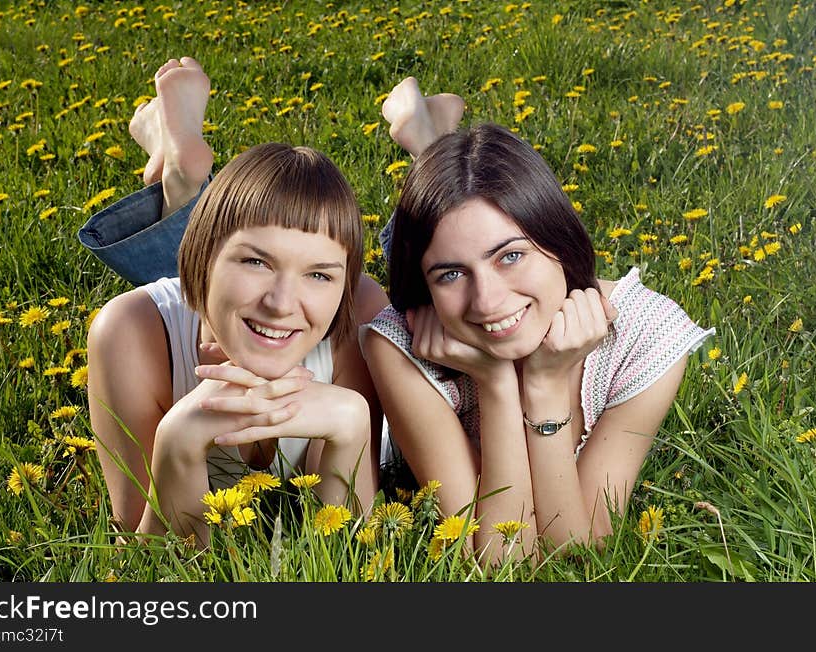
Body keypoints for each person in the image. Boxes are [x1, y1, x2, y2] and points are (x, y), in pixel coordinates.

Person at [359, 79, 715, 566]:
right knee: (450, 224)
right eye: (450, 274)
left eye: (511, 257)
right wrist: (495, 382)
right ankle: (432, 146)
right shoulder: (400, 341)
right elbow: (498, 558)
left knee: (466, 219)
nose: (486, 301)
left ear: (559, 242)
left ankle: (430, 140)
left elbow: (577, 548)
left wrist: (545, 386)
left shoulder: (646, 333)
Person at [81, 58, 393, 546]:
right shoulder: (127, 332)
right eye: (256, 263)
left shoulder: (359, 308)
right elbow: (148, 561)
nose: (282, 303)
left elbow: (348, 549)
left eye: (318, 274)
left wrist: (351, 424)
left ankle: (423, 138)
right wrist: (179, 440)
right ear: (203, 260)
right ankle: (183, 183)